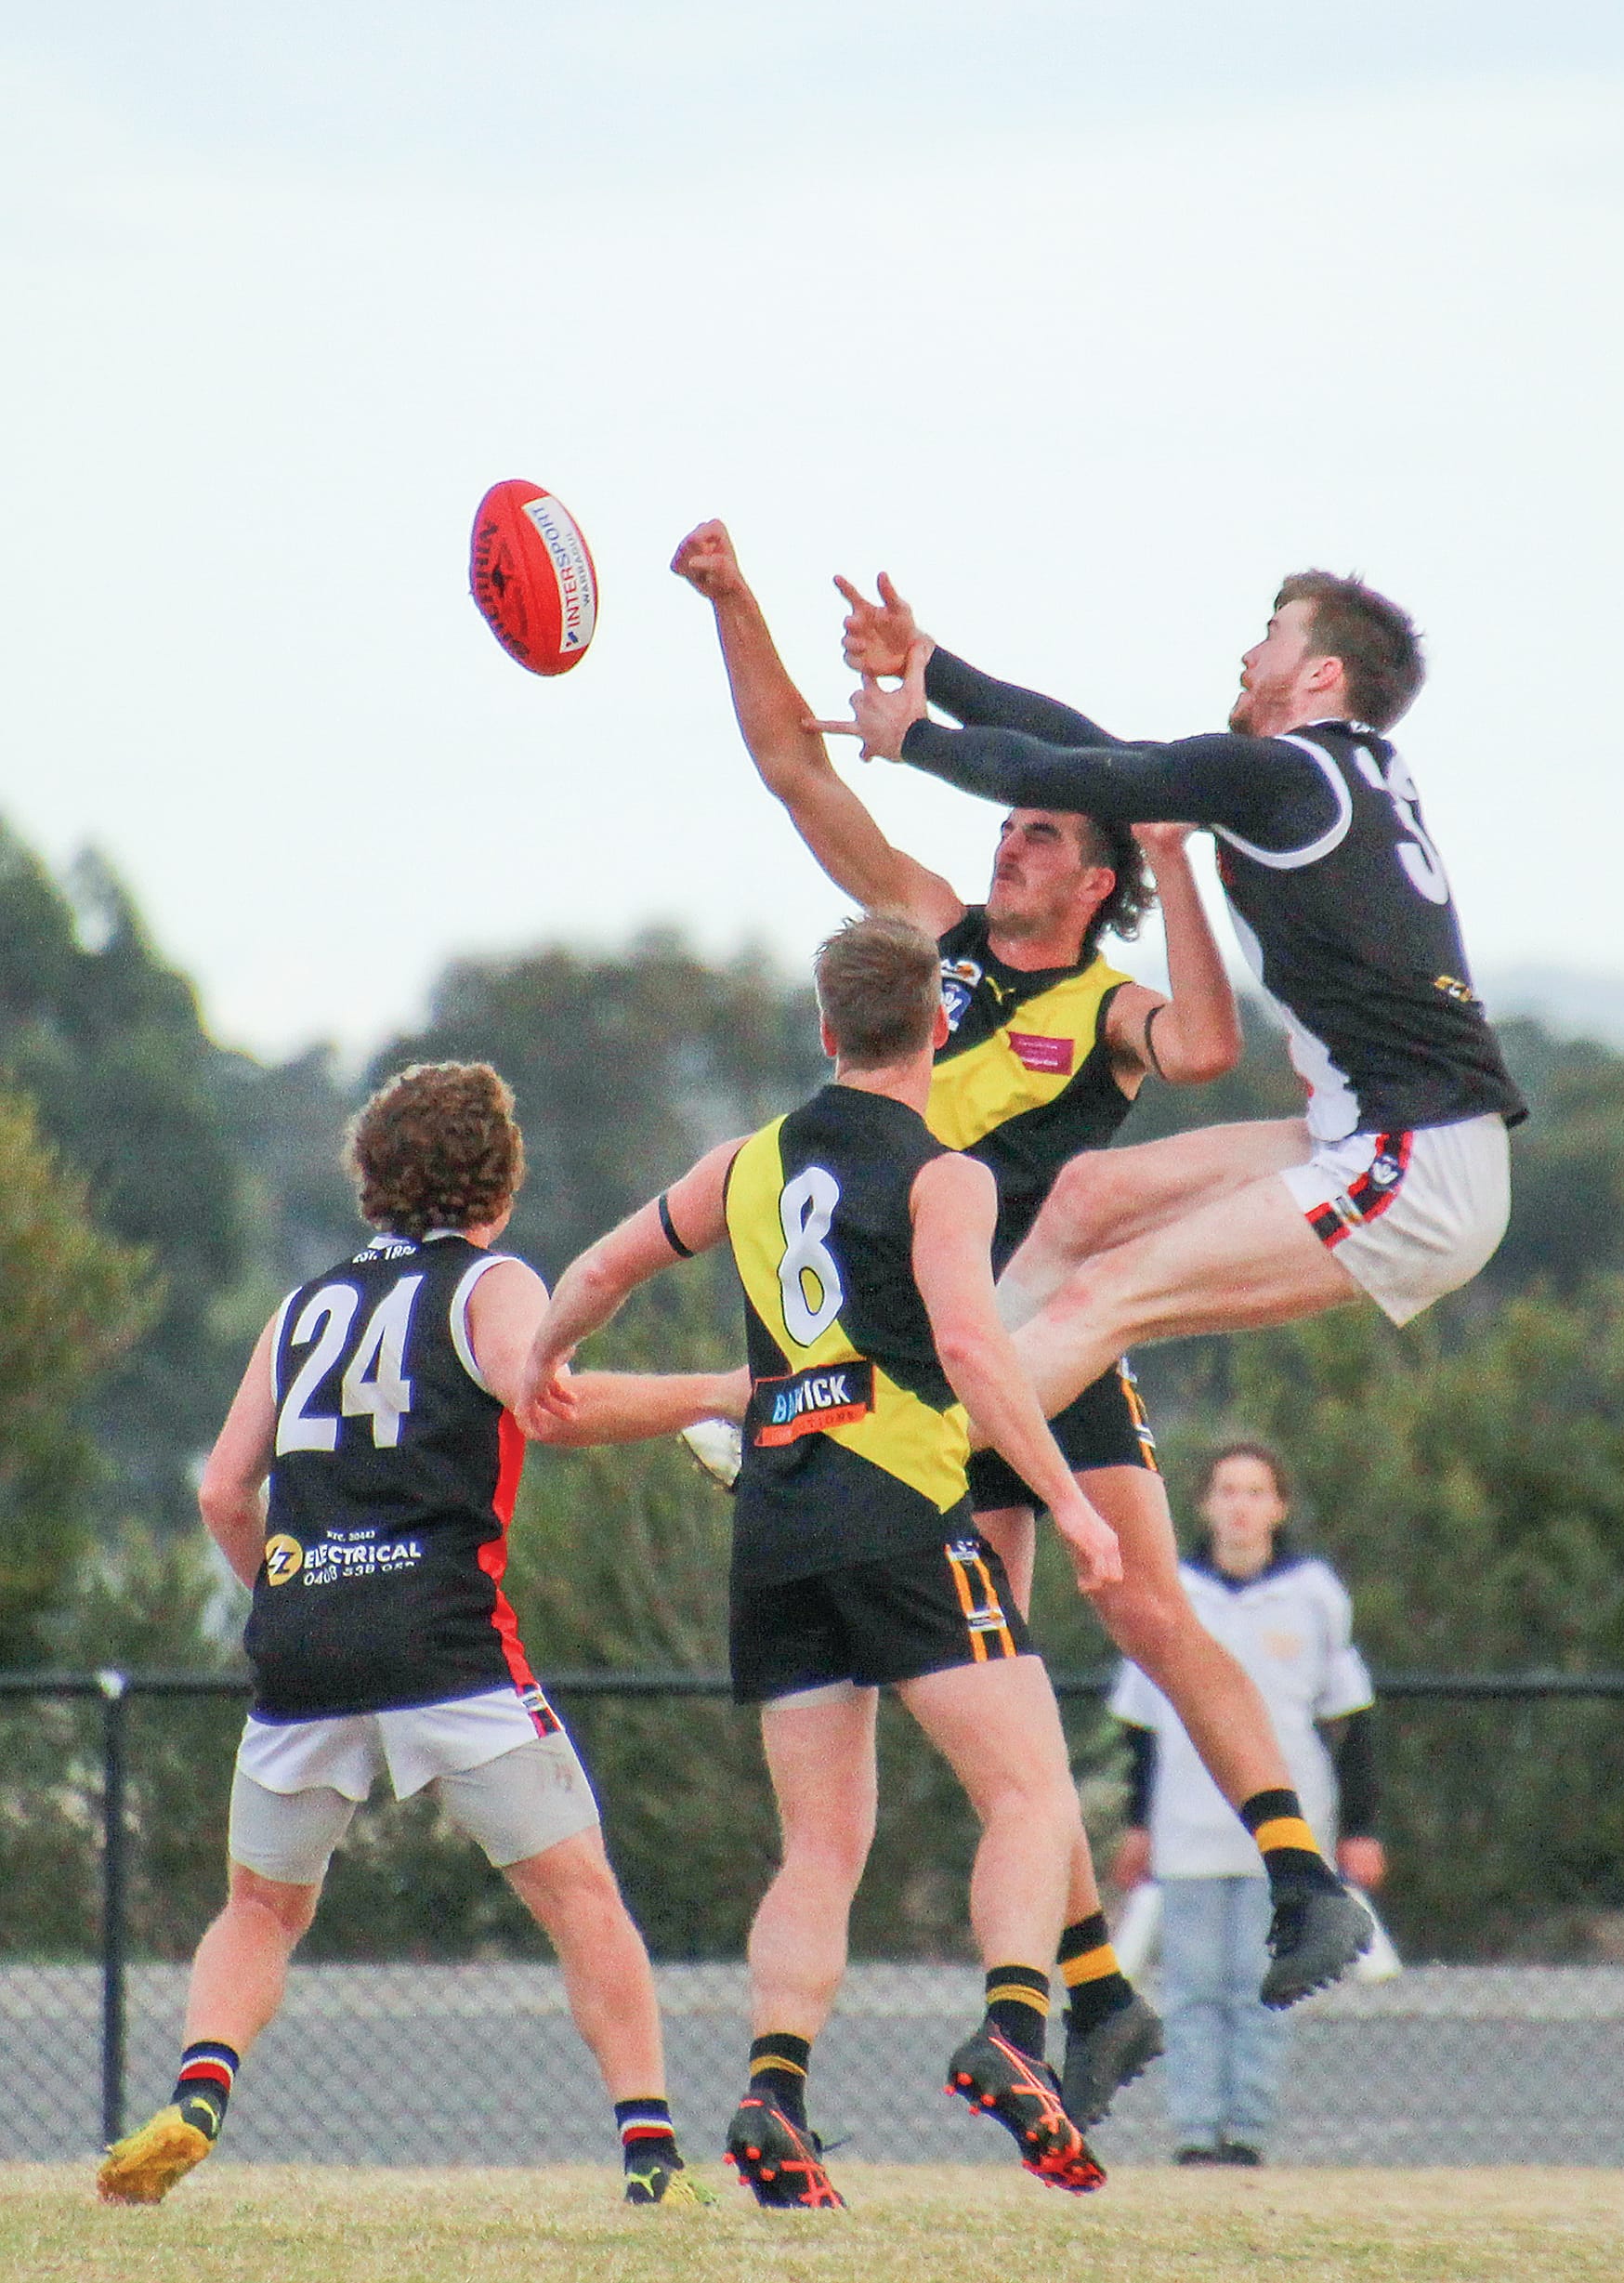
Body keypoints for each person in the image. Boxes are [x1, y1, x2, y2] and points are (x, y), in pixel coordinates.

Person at [671, 520, 1375, 2077]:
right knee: (995, 1682)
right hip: (923, 1375)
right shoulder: (937, 941)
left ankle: (1302, 1877)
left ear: (1102, 869)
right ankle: (1097, 1995)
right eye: (1018, 827)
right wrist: (733, 601)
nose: (1014, 843)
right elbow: (799, 773)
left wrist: (1177, 856)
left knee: (1137, 1595)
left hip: (1042, 1342)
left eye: (1051, 832)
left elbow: (1202, 1047)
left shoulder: (1101, 1002)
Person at [518, 914, 1125, 2208]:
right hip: (897, 1501)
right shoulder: (943, 1173)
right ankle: (1017, 2034)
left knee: (821, 1843)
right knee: (1031, 1793)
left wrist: (541, 1362)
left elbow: (602, 1266)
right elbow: (969, 1346)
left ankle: (773, 2092)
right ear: (938, 1026)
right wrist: (1070, 1503)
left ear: (825, 1028)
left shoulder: (742, 1164)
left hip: (779, 1520)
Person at [98, 1062, 740, 2209]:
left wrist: (287, 1597)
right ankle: (652, 2161)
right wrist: (725, 1390)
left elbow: (223, 1496)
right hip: (441, 1642)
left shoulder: (304, 1306)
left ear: (372, 1181)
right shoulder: (491, 1282)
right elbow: (553, 1402)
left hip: (302, 1642)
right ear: (498, 1178)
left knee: (258, 1909)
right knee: (580, 1899)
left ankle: (199, 2093)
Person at [814, 570, 1526, 1420]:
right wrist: (931, 665)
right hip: (1378, 1132)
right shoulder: (1324, 774)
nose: (1248, 653)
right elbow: (1100, 762)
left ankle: (889, 1455)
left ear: (1319, 674)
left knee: (1108, 1292)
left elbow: (1075, 772)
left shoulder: (1291, 778)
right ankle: (930, 1392)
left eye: (1272, 634)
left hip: (1416, 1165)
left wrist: (915, 738)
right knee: (1088, 1198)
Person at [1110, 1442, 1385, 2166]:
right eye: (1227, 1490)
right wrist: (1137, 1824)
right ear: (1204, 1504)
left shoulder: (1315, 1593)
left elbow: (1349, 1719)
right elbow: (1140, 1724)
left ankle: (1247, 2132)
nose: (1240, 1505)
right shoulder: (1169, 1589)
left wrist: (1359, 1828)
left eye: (1256, 1491)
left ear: (1279, 1506)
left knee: (1261, 1984)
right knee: (1194, 1986)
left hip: (1285, 1831)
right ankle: (1196, 2132)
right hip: (1189, 1826)